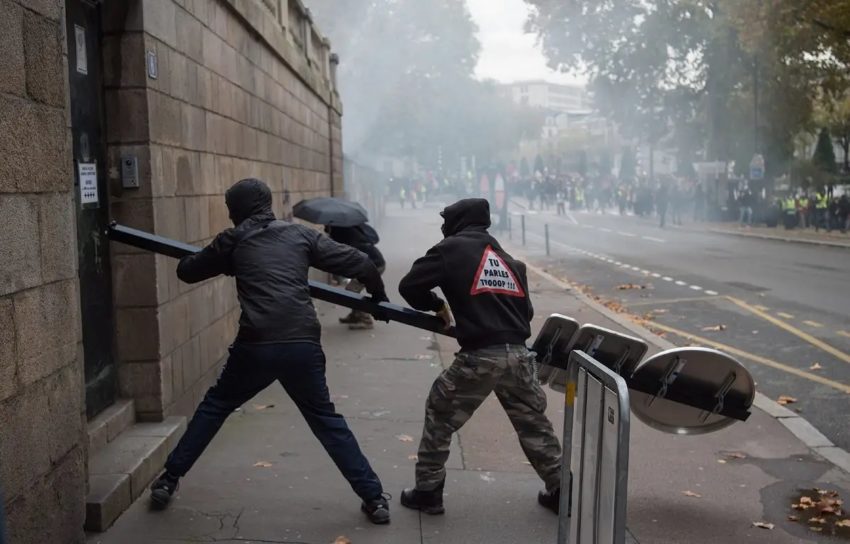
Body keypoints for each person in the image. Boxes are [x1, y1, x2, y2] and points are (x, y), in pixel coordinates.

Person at [148, 179, 392, 524]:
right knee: (325, 420)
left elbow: (186, 271)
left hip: (256, 344)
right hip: (302, 345)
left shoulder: (233, 239)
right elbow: (364, 265)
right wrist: (379, 301)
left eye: (230, 208)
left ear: (239, 210)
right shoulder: (301, 236)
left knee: (216, 406)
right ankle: (374, 498)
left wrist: (226, 258)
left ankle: (168, 480)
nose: (230, 214)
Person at [396, 198, 563, 516]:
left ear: (458, 221)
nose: (443, 226)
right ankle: (560, 491)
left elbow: (410, 286)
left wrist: (437, 304)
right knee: (533, 425)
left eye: (446, 220)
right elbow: (525, 311)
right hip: (519, 355)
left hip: (480, 356)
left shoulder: (450, 250)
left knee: (440, 413)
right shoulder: (511, 262)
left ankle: (428, 491)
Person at [327, 223, 386, 330]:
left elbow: (344, 251)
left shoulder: (341, 230)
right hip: (373, 262)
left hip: (372, 265)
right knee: (352, 290)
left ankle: (365, 320)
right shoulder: (348, 227)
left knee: (351, 290)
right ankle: (355, 316)